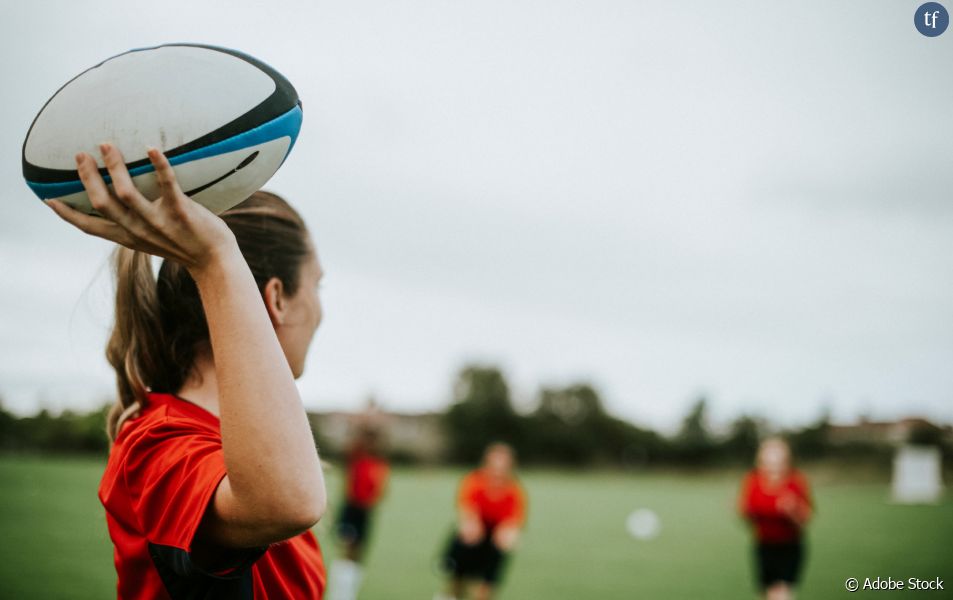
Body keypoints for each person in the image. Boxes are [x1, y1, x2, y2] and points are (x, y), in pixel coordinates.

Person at [47, 144, 328, 598]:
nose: (321, 310)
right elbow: (289, 502)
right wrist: (216, 259)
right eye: (317, 285)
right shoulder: (160, 442)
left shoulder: (235, 446)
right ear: (277, 298)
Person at [436, 443, 527, 600]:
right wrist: (471, 525)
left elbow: (513, 522)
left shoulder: (515, 490)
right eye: (495, 461)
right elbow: (467, 511)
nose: (499, 468)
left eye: (503, 463)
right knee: (458, 579)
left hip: (495, 537)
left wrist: (509, 534)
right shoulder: (473, 481)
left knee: (487, 586)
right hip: (473, 534)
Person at [738, 437, 813, 600]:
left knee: (781, 593)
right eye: (768, 457)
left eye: (777, 457)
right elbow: (747, 514)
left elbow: (805, 520)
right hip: (763, 546)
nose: (773, 463)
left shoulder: (795, 481)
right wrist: (744, 512)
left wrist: (792, 511)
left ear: (786, 459)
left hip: (789, 547)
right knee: (767, 593)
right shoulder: (753, 481)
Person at [327, 426, 390, 600]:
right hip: (352, 509)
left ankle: (349, 593)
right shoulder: (355, 458)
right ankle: (339, 595)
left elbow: (380, 490)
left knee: (360, 553)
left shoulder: (378, 463)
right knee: (348, 550)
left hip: (366, 512)